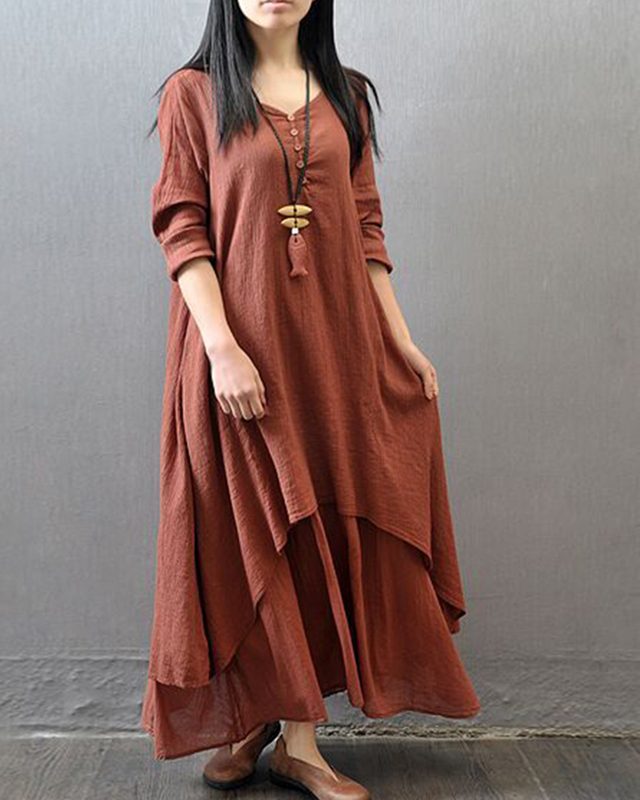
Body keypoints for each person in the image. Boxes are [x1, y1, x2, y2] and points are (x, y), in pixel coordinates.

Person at [140, 1, 482, 797]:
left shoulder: (347, 96)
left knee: (319, 522)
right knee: (249, 533)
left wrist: (400, 339)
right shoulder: (193, 94)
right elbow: (182, 226)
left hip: (333, 350)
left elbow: (365, 229)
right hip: (237, 353)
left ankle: (299, 742)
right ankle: (257, 717)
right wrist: (222, 349)